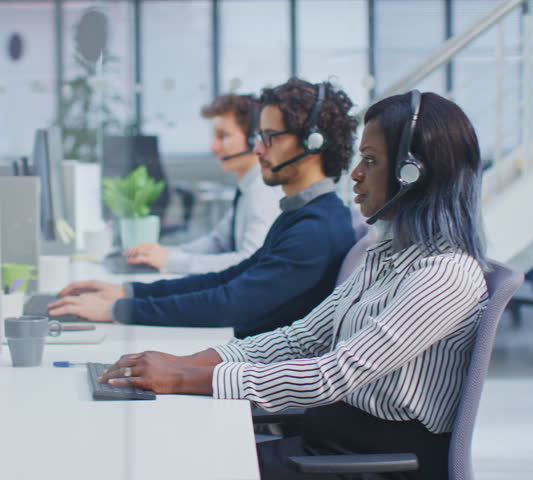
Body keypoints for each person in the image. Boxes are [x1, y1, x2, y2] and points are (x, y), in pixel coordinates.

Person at [95, 91, 490, 480]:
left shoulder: (446, 276)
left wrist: (183, 378)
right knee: (170, 449)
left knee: (178, 465)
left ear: (413, 176)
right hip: (329, 444)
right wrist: (187, 363)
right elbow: (301, 338)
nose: (355, 173)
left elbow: (330, 375)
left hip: (375, 464)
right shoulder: (385, 253)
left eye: (370, 161)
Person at [49, 78, 359, 339]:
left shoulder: (316, 229)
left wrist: (117, 310)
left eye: (269, 137)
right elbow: (227, 279)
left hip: (258, 380)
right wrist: (128, 293)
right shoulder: (303, 215)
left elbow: (231, 302)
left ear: (312, 143)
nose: (258, 148)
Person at [122, 94, 284, 274]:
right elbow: (218, 241)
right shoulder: (248, 185)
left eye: (223, 136)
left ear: (254, 139)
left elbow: (250, 262)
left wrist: (172, 261)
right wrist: (165, 253)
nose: (213, 147)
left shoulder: (263, 189)